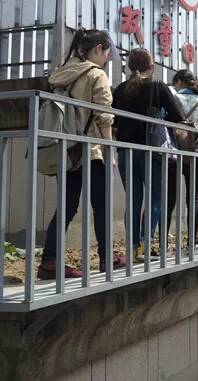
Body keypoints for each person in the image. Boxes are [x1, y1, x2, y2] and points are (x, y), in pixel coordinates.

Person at [38, 30, 125, 279]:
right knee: (101, 205)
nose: (106, 59)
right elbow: (104, 116)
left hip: (67, 149)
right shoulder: (96, 74)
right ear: (98, 49)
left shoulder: (62, 73)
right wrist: (110, 151)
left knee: (66, 206)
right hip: (92, 150)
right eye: (106, 53)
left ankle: (50, 261)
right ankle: (107, 259)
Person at [113, 49, 184, 261]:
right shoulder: (157, 87)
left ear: (129, 67)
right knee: (155, 198)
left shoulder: (121, 89)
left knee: (133, 200)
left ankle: (133, 247)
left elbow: (115, 120)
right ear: (151, 67)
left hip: (125, 150)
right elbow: (176, 116)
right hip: (151, 151)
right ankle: (145, 244)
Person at [167, 70, 198, 238]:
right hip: (196, 154)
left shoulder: (172, 97)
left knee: (169, 199)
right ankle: (192, 242)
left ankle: (163, 242)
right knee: (194, 200)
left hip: (171, 152)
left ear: (179, 82)